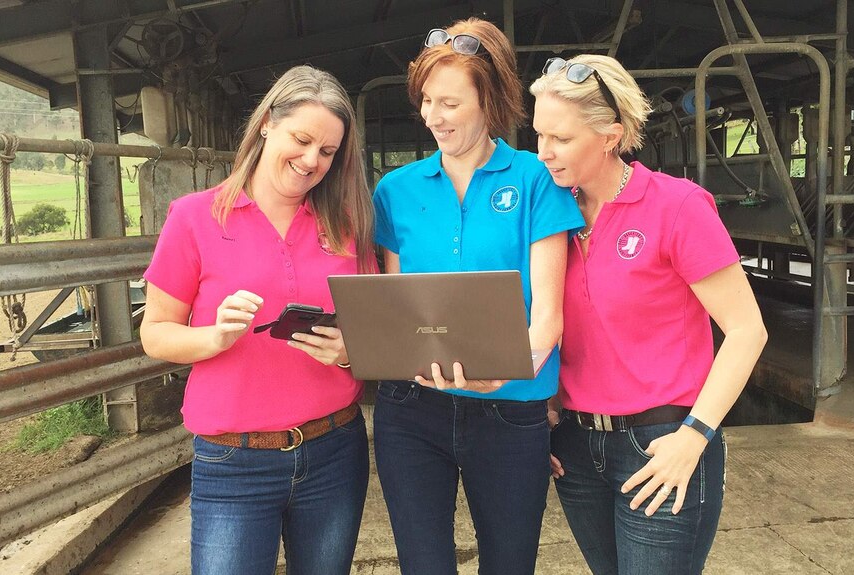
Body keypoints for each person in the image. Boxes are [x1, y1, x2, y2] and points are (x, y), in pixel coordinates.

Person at [530, 54, 769, 574]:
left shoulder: (676, 207)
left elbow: (748, 329)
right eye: (539, 135)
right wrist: (542, 411)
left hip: (662, 441)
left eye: (561, 139)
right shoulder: (550, 217)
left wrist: (695, 436)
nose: (543, 153)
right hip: (574, 444)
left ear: (611, 136)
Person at [139, 65, 375, 575]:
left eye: (328, 152)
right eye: (302, 139)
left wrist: (353, 350)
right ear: (268, 122)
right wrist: (214, 337)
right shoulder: (195, 217)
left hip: (335, 450)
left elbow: (380, 326)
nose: (312, 160)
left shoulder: (348, 224)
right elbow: (155, 334)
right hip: (234, 462)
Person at [371, 18, 584, 575]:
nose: (431, 117)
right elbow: (397, 308)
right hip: (412, 410)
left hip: (510, 413)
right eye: (425, 101)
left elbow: (549, 316)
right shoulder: (395, 190)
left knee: (510, 563)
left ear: (489, 101)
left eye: (449, 103)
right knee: (423, 564)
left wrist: (507, 372)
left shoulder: (536, 178)